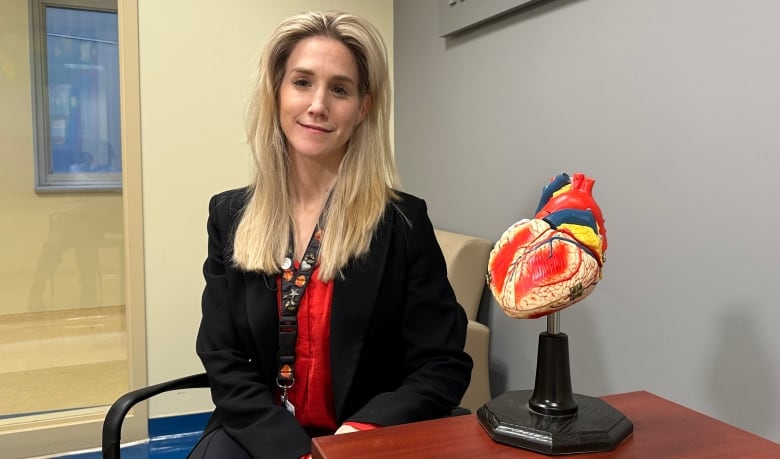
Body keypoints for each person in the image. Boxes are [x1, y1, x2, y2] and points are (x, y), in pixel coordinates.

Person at [189, 10, 473, 459]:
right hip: (261, 435)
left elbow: (441, 365)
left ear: (363, 107)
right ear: (277, 93)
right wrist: (290, 448)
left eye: (339, 89)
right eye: (302, 82)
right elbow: (221, 355)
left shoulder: (402, 222)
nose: (318, 104)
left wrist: (360, 433)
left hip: (364, 438)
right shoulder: (230, 214)